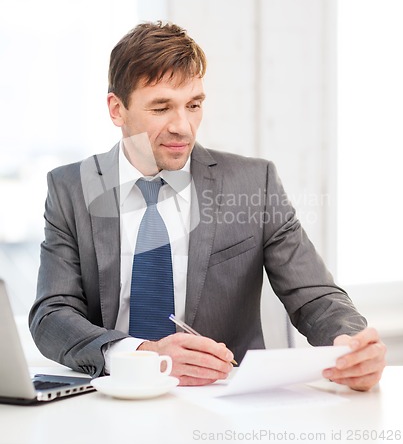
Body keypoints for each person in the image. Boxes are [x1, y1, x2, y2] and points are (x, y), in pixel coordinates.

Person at [29, 21, 386, 391]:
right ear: (117, 110)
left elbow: (315, 296)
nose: (183, 126)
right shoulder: (71, 188)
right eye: (161, 107)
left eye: (194, 105)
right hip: (112, 397)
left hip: (226, 400)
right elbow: (52, 316)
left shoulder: (254, 183)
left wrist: (350, 343)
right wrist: (144, 355)